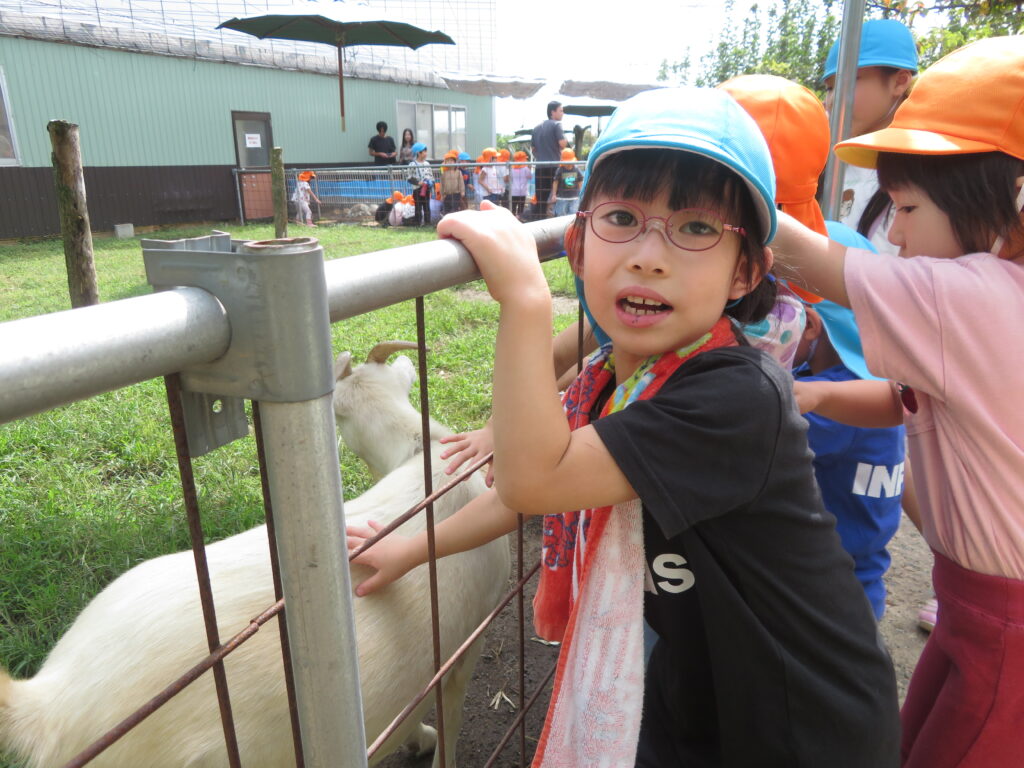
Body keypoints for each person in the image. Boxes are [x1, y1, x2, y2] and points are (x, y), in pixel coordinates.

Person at [348, 86, 900, 767]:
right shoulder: (615, 376)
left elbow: (531, 478)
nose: (649, 255)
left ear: (746, 272)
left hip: (801, 721)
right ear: (579, 248)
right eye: (621, 218)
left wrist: (525, 299)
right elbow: (519, 494)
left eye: (695, 228)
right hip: (700, 687)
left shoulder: (734, 397)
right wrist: (411, 549)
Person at [769, 36, 1024, 767]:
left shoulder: (974, 293)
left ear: (1014, 199)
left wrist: (734, 183)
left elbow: (823, 264)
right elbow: (913, 400)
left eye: (908, 207)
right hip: (978, 600)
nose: (896, 234)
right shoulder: (997, 304)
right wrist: (820, 391)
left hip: (1003, 619)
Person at [792, 223, 906, 620]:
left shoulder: (825, 403)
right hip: (861, 585)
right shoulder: (874, 384)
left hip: (823, 599)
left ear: (809, 323)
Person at [822, 19, 917, 252]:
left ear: (899, 82)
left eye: (848, 81)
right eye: (830, 88)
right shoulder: (827, 164)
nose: (832, 100)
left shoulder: (923, 175)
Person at [532, 100, 567, 218]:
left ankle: (539, 222)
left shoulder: (536, 128)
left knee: (541, 199)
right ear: (553, 112)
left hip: (539, 167)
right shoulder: (557, 125)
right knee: (557, 197)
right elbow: (562, 144)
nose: (562, 113)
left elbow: (533, 149)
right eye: (561, 111)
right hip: (554, 167)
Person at [549, 148, 582, 217]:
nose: (568, 164)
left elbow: (580, 182)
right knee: (561, 215)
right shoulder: (560, 170)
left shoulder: (576, 170)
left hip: (574, 198)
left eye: (570, 162)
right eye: (567, 162)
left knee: (573, 216)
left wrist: (581, 193)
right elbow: (555, 182)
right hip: (562, 198)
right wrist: (554, 194)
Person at [407, 142, 433, 226]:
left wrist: (431, 183)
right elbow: (409, 178)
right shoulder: (412, 164)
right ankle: (417, 223)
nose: (426, 153)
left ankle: (427, 223)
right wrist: (418, 183)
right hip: (417, 190)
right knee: (418, 206)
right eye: (424, 152)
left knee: (427, 206)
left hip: (427, 189)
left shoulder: (427, 164)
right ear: (418, 153)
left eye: (426, 151)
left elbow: (431, 176)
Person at [509, 150, 532, 219]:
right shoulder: (525, 169)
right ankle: (519, 219)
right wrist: (529, 168)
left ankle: (512, 218)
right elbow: (530, 177)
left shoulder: (512, 169)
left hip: (514, 191)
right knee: (521, 207)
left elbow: (511, 178)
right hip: (522, 191)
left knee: (513, 207)